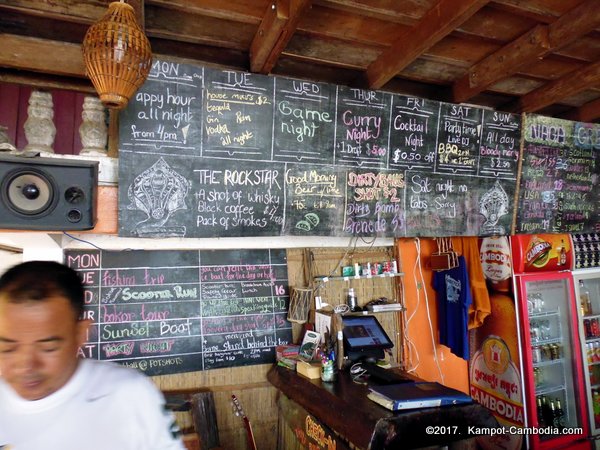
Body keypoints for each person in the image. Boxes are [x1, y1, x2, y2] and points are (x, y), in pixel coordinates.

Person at [0, 261, 185, 450]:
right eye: (8, 348)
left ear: (80, 334)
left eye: (48, 348)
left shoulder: (129, 394)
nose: (25, 366)